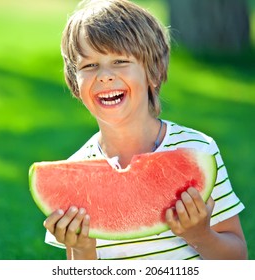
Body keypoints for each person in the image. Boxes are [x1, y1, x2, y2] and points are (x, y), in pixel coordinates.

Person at [43, 0, 248, 260]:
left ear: (152, 72)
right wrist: (82, 248)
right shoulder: (74, 173)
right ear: (75, 82)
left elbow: (238, 260)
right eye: (89, 65)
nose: (104, 75)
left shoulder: (198, 150)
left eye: (119, 61)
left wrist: (199, 234)